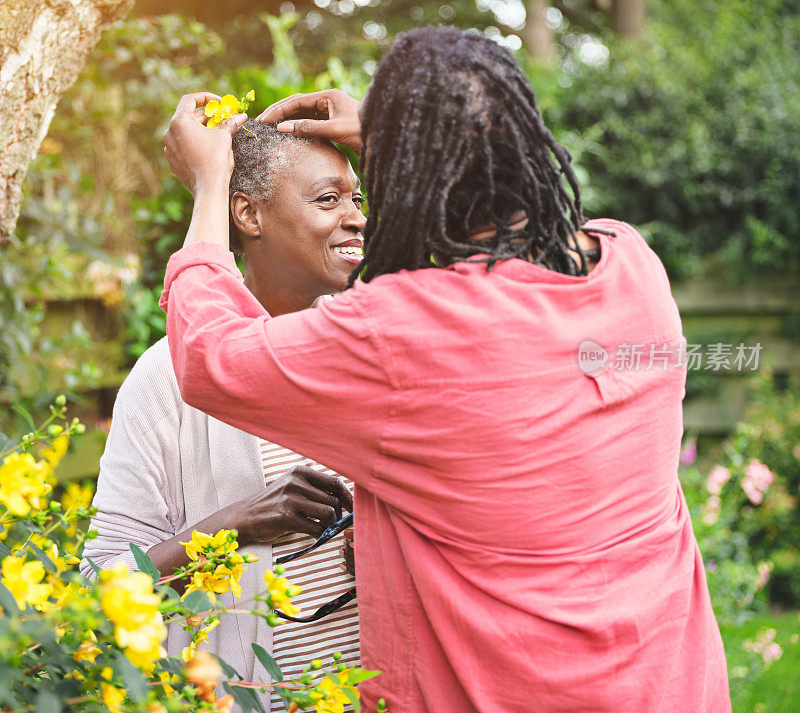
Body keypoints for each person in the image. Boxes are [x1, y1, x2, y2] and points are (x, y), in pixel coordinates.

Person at [159, 26, 731, 713]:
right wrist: (417, 137)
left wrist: (210, 183)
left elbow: (210, 359)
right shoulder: (628, 266)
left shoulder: (401, 331)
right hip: (670, 684)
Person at [81, 121, 364, 713]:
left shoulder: (376, 347)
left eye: (357, 198)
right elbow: (97, 590)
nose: (357, 216)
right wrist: (231, 528)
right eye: (327, 198)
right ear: (247, 214)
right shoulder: (166, 382)